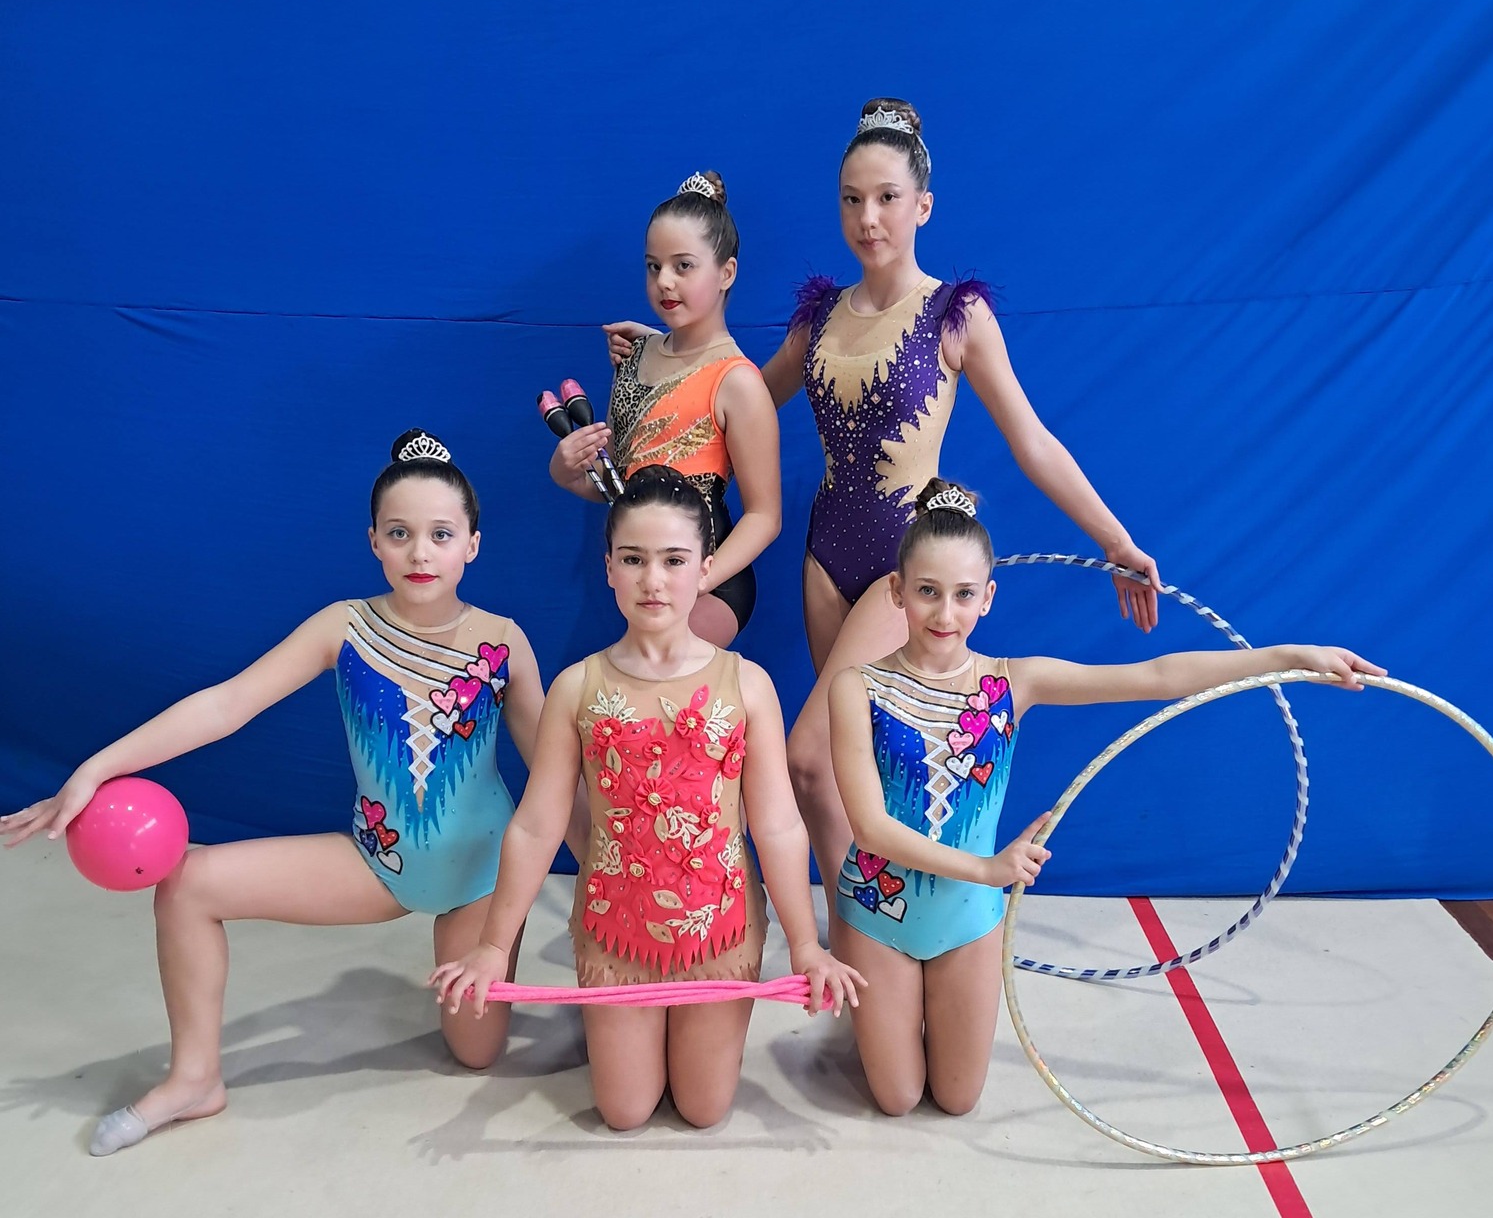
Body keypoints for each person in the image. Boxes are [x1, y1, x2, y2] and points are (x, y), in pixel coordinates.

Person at [606, 99, 1163, 888]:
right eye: (852, 199)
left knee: (809, 761)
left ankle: (864, 926)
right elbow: (731, 399)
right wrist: (662, 357)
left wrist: (1114, 539)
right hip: (825, 559)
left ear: (922, 205)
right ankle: (866, 928)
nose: (868, 218)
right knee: (850, 766)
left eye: (887, 198)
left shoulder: (955, 314)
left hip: (905, 561)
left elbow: (1032, 440)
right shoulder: (819, 316)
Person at [1, 431, 557, 1155]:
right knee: (189, 884)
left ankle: (478, 967)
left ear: (472, 545)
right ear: (374, 542)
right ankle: (194, 1078)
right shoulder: (344, 627)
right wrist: (93, 770)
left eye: (440, 534)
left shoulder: (502, 642)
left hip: (481, 878)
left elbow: (554, 777)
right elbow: (226, 704)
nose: (420, 553)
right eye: (399, 533)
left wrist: (612, 877)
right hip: (378, 862)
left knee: (475, 1053)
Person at [828, 477, 1382, 1118]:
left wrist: (1286, 657)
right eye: (927, 591)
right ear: (897, 591)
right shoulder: (856, 687)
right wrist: (989, 868)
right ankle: (888, 1012)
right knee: (897, 1099)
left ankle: (909, 1011)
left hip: (968, 919)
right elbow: (870, 828)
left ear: (988, 598)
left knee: (957, 1098)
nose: (944, 615)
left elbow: (1157, 676)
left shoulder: (1013, 682)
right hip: (878, 911)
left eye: (963, 594)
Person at [431, 464, 864, 1131]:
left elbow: (778, 826)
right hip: (615, 933)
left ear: (706, 568)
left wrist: (806, 944)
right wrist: (493, 945)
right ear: (609, 568)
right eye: (633, 559)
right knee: (625, 1111)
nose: (653, 580)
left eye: (673, 560)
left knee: (703, 1109)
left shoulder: (748, 686)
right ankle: (627, 1031)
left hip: (721, 931)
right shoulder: (576, 688)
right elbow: (537, 826)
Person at [549, 171, 781, 645]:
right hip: (646, 571)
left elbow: (765, 517)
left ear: (727, 273)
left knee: (659, 674)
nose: (665, 282)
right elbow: (619, 485)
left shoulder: (738, 383)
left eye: (684, 266)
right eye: (653, 266)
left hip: (711, 579)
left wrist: (697, 580)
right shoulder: (634, 358)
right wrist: (567, 471)